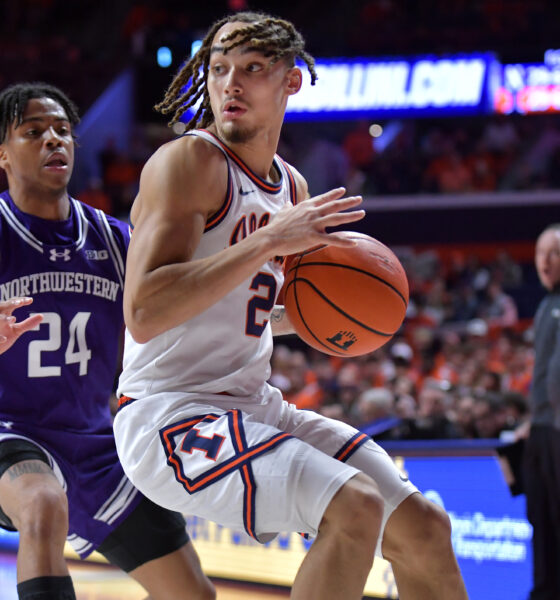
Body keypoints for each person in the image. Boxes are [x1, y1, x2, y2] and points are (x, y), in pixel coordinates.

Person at [114, 12, 468, 600]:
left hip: (254, 406)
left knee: (424, 528)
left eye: (252, 69)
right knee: (353, 506)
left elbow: (244, 308)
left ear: (290, 82)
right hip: (167, 417)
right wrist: (269, 240)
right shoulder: (187, 163)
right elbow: (145, 312)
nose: (230, 84)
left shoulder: (292, 188)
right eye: (220, 68)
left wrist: (315, 320)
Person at [0, 82, 214, 600]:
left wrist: (283, 315)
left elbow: (187, 313)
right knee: (43, 505)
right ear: (2, 154)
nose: (55, 140)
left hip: (98, 444)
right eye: (34, 132)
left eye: (63, 130)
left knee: (194, 594)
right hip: (12, 432)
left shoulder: (116, 241)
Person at [519, 223, 560, 599]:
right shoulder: (547, 304)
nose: (545, 262)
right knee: (541, 520)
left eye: (555, 253)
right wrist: (532, 421)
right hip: (544, 429)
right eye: (540, 253)